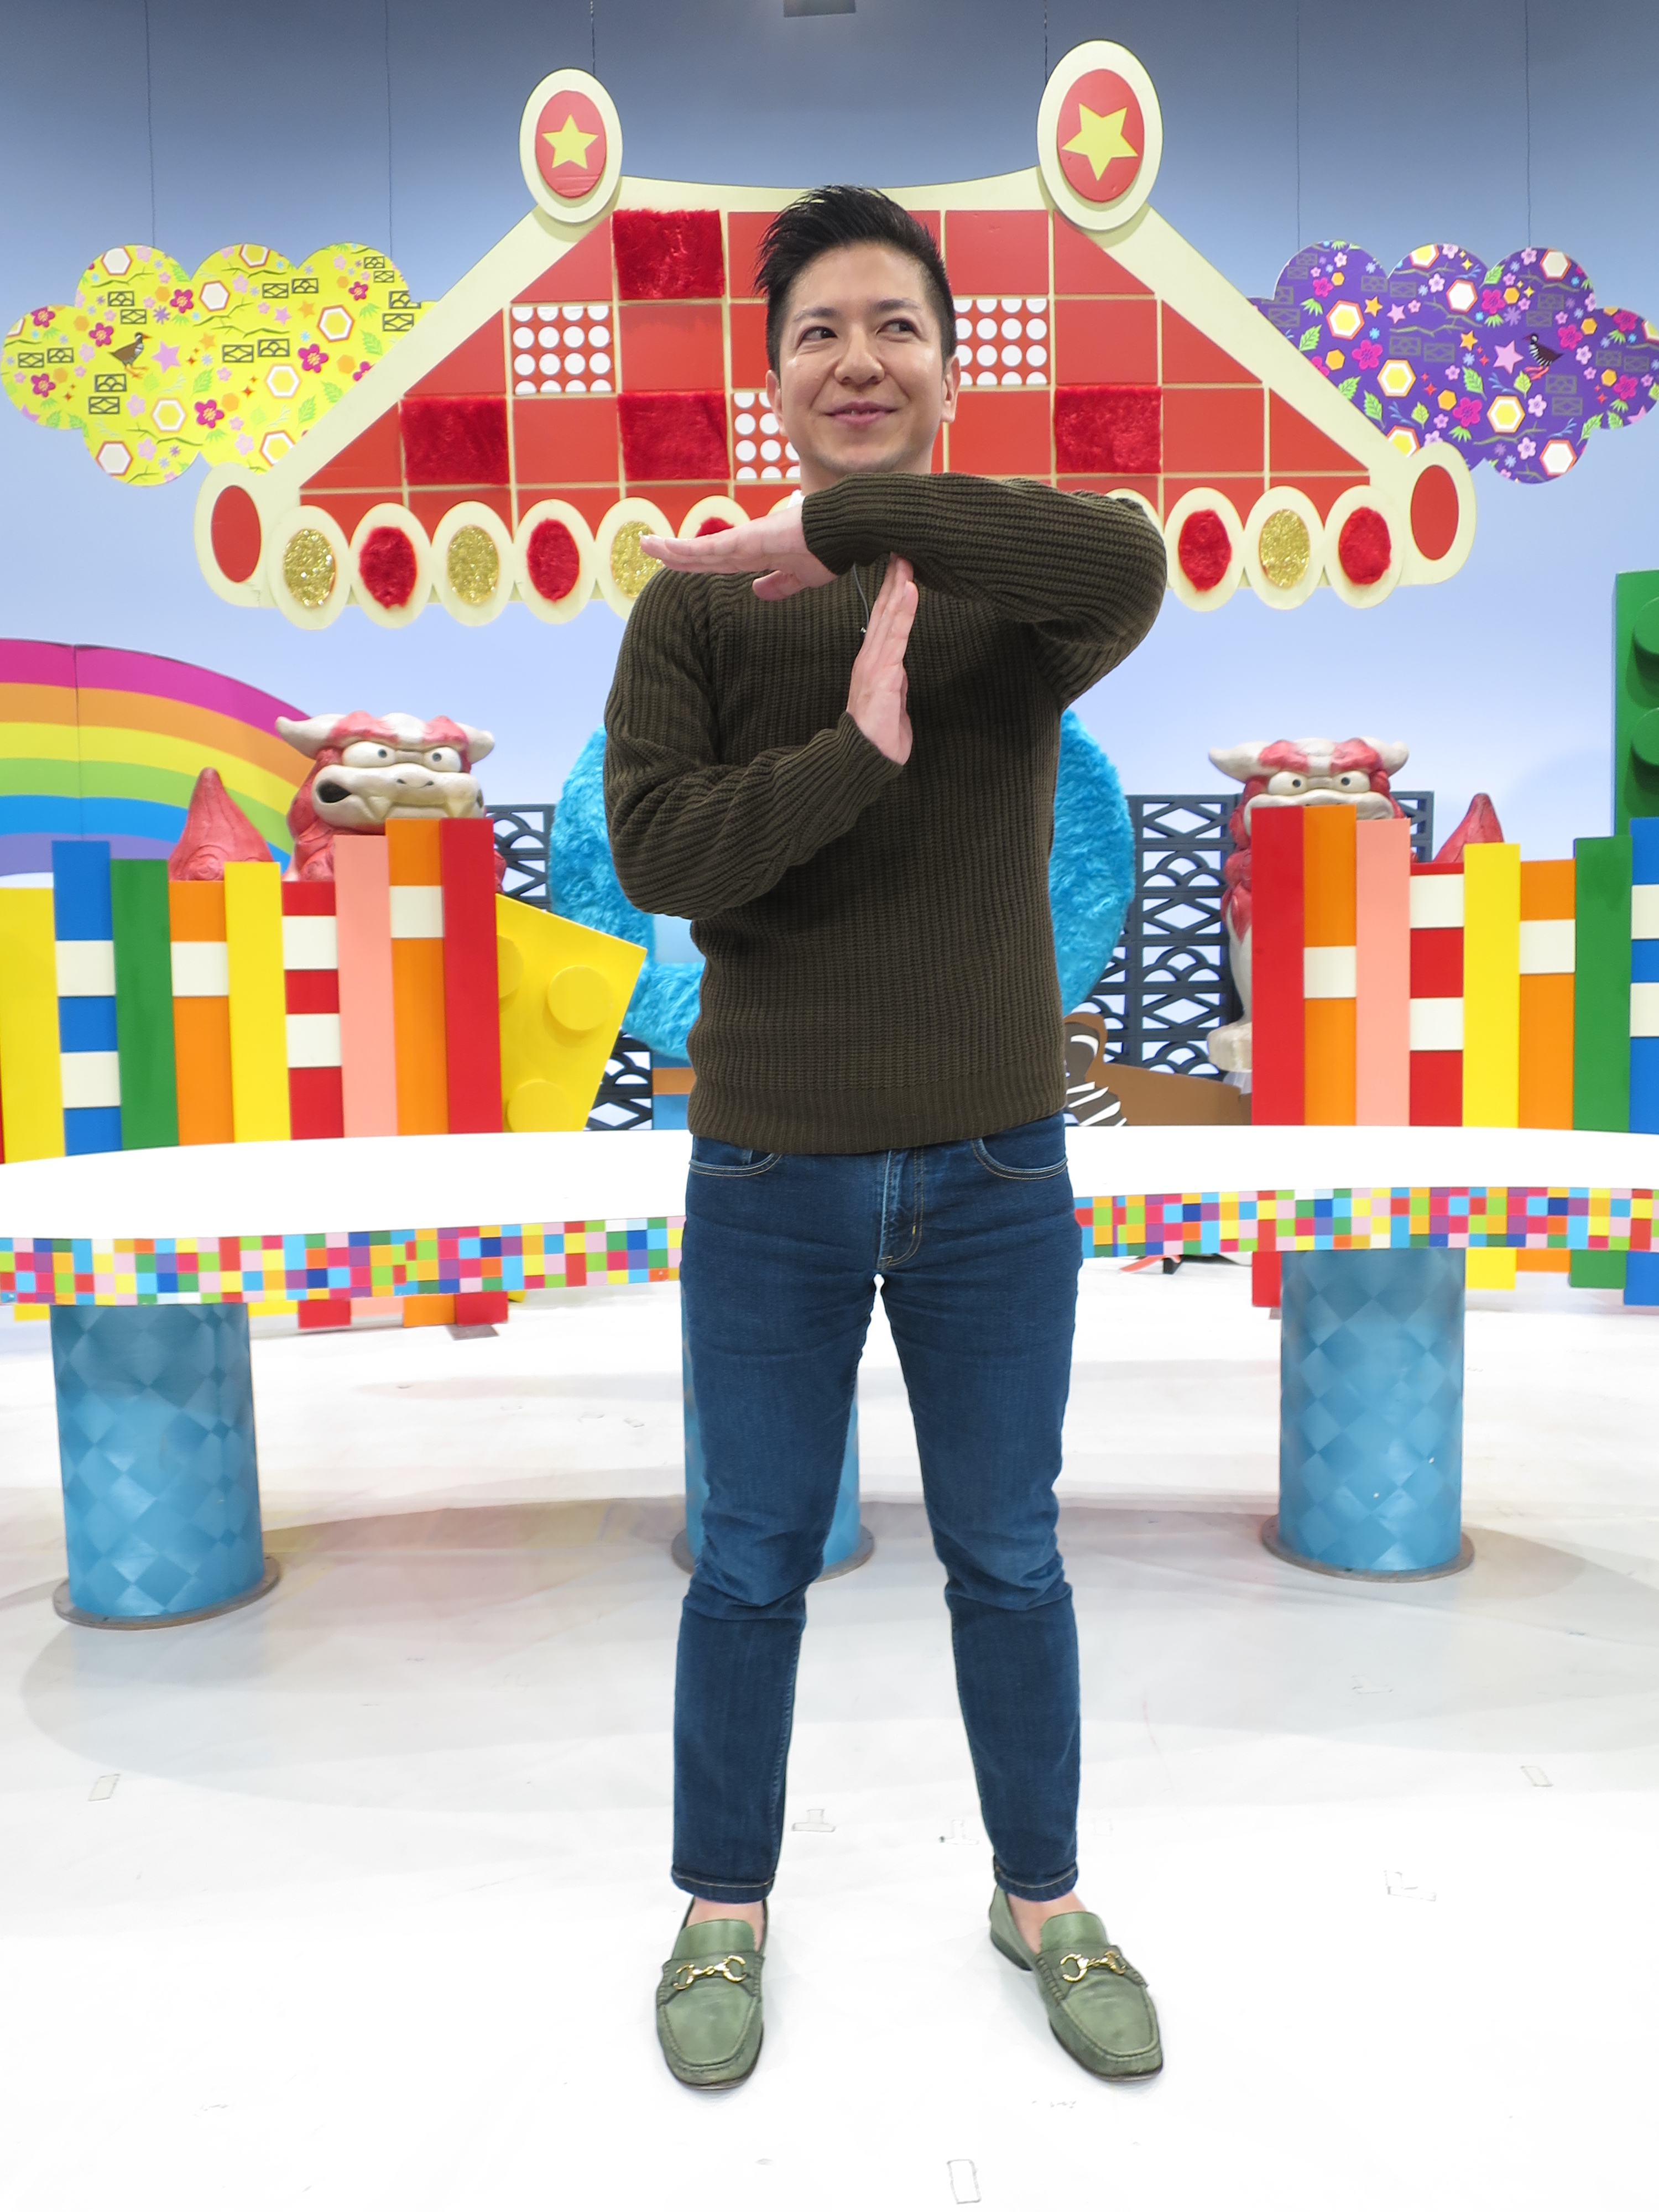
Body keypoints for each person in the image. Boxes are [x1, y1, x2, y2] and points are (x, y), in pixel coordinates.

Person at [604, 185, 1167, 2089]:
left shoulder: (1017, 595)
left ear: (947, 361)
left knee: (1010, 1556)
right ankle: (723, 1905)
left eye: (894, 327)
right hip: (771, 1164)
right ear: (771, 374)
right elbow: (660, 853)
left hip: (995, 1165)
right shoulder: (694, 601)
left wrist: (849, 529)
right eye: (819, 333)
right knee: (750, 1563)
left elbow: (1127, 558)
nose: (858, 359)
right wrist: (854, 752)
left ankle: (1043, 1895)